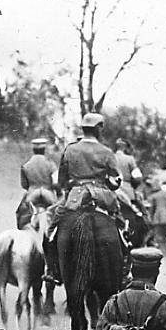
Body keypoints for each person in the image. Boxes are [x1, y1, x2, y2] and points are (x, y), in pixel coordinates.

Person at [45, 112, 122, 284]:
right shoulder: (107, 152)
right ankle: (123, 270)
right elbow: (116, 180)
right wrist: (108, 185)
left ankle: (53, 271)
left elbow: (61, 181)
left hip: (74, 197)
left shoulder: (70, 150)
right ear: (98, 129)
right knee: (122, 228)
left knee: (52, 230)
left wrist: (71, 186)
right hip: (102, 198)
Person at [148, 180, 166, 250]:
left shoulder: (154, 196)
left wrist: (150, 219)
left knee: (158, 236)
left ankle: (160, 251)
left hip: (157, 218)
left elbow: (151, 209)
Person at [114, 138, 143, 203]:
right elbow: (138, 177)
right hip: (127, 192)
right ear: (125, 148)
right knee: (139, 211)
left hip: (110, 191)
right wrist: (134, 187)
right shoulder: (130, 159)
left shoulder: (109, 157)